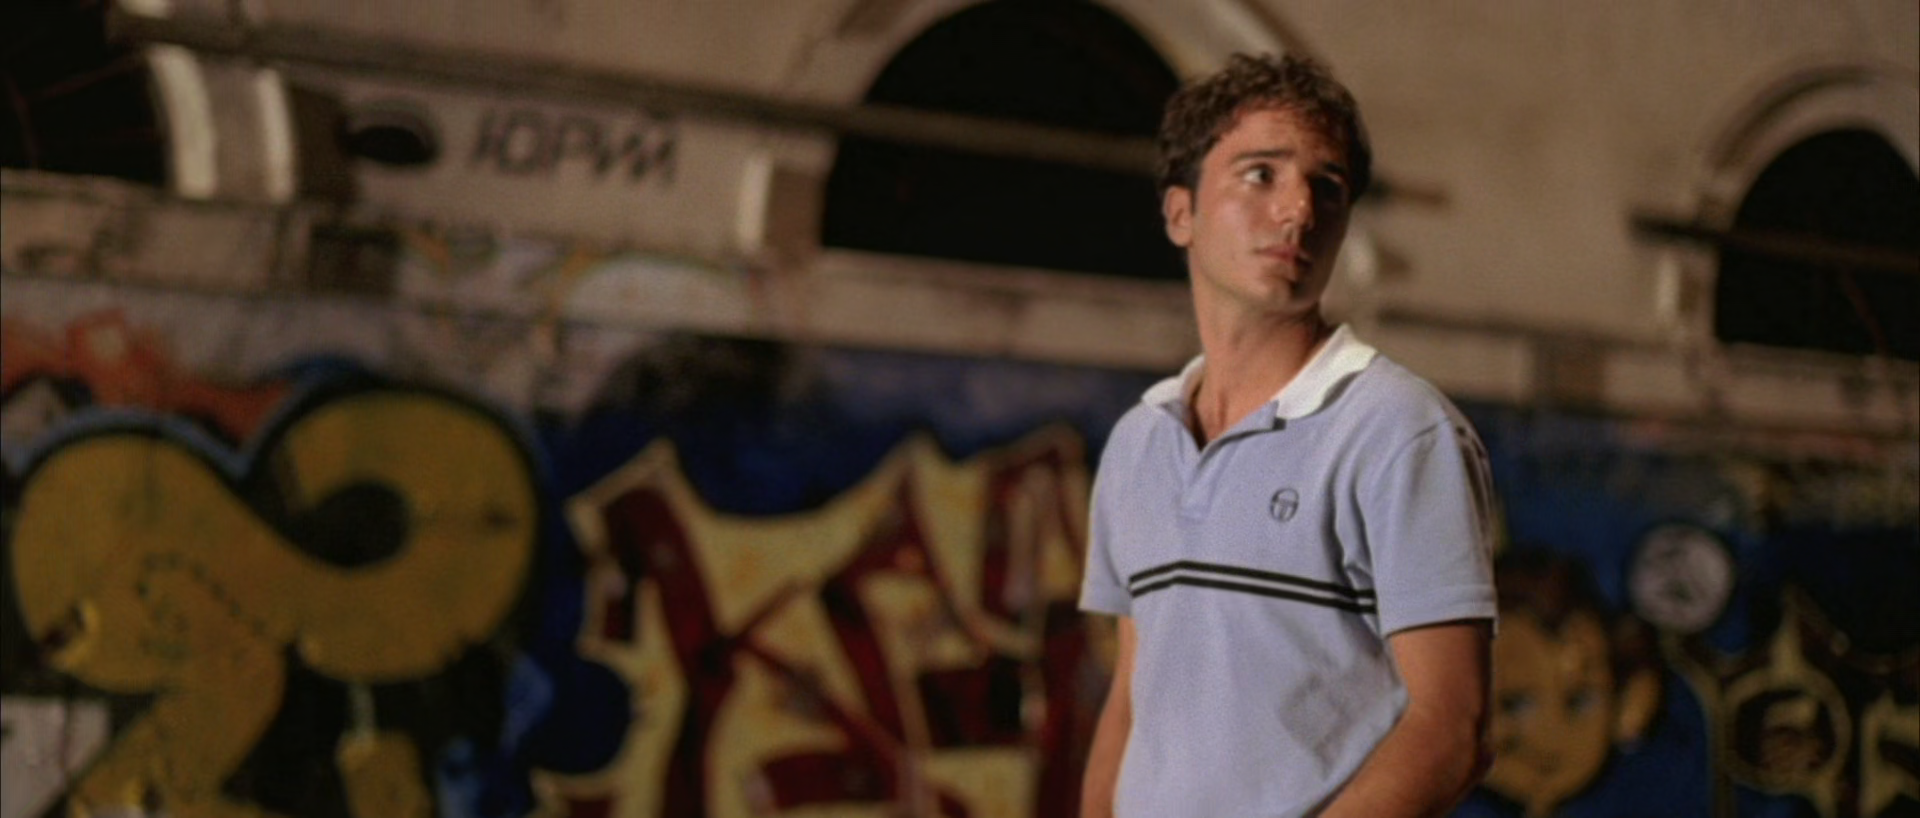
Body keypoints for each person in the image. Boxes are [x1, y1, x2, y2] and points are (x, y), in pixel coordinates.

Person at [1078, 53, 1499, 817]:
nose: (1299, 209)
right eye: (1261, 174)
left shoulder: (1400, 430)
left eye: (1327, 187)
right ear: (1181, 214)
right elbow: (1132, 701)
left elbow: (1452, 728)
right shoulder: (1139, 443)